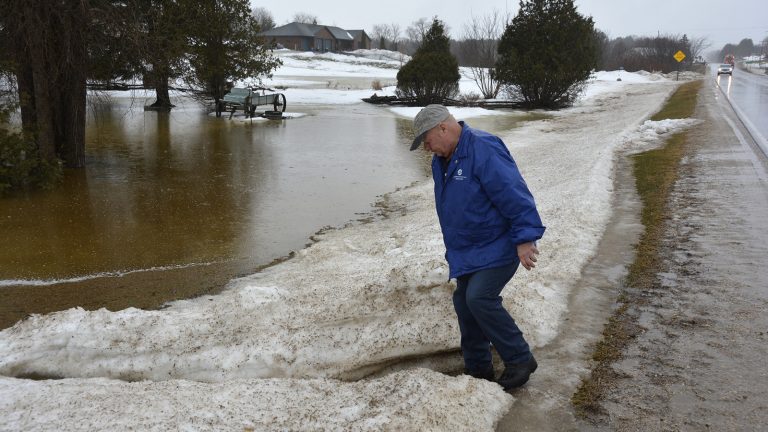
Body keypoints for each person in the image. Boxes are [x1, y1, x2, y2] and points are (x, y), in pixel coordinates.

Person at [410, 104, 545, 391]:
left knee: (479, 298)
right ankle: (478, 370)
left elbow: (513, 193)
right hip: (468, 249)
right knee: (463, 301)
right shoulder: (442, 159)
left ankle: (520, 359)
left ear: (443, 128)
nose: (426, 148)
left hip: (500, 243)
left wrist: (524, 238)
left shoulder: (483, 148)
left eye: (427, 140)